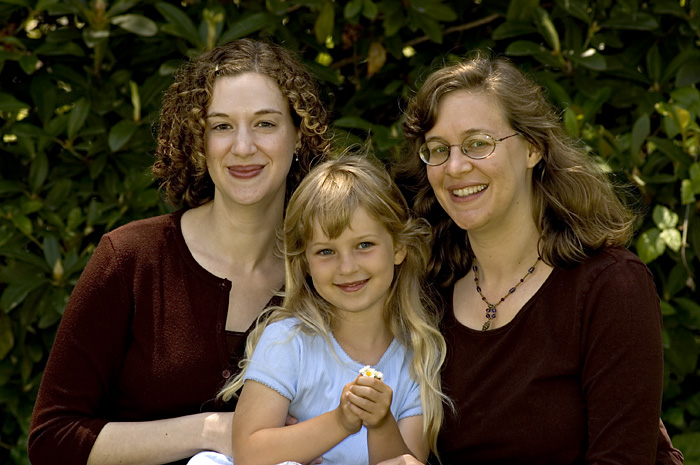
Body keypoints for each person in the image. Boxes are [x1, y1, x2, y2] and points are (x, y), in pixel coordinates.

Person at [28, 38, 331, 465]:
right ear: (199, 140)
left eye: (265, 123)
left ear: (298, 134)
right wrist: (212, 431)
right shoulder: (131, 259)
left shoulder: (330, 270)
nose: (243, 146)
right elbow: (52, 438)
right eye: (221, 126)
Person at [388, 54, 684, 464]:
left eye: (478, 143)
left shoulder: (610, 287)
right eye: (438, 149)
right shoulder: (425, 294)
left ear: (533, 147)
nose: (454, 167)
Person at [187, 156, 449, 465]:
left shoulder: (416, 357)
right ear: (305, 264)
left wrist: (380, 423)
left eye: (364, 245)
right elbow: (248, 453)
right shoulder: (288, 341)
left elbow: (408, 461)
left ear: (398, 248)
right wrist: (341, 421)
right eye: (326, 251)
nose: (347, 267)